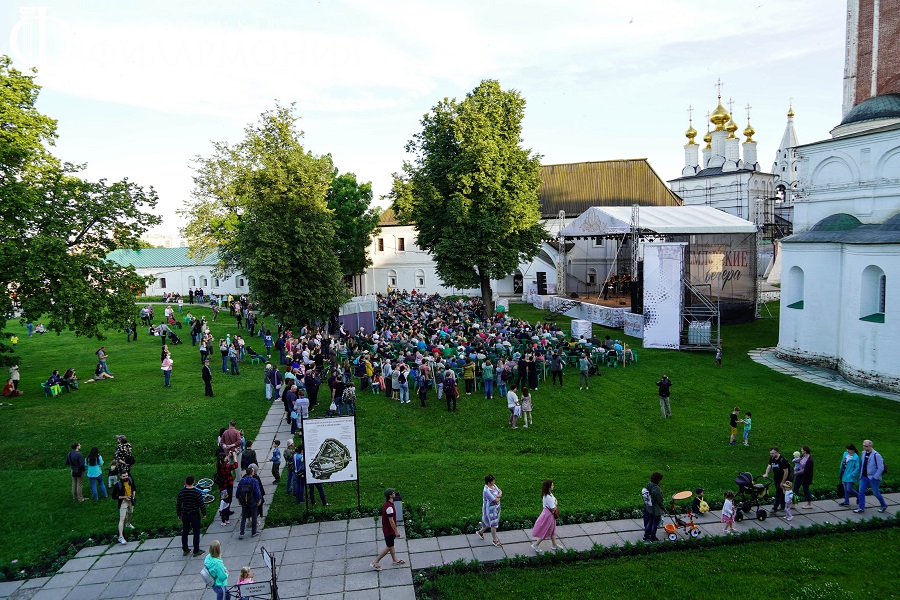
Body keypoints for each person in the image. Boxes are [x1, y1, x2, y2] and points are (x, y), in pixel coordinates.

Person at [371, 488, 404, 571]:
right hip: (389, 530)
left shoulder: (387, 504)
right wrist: (396, 531)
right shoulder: (389, 507)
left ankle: (395, 560)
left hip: (388, 529)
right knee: (389, 546)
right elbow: (391, 521)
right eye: (393, 493)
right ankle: (376, 561)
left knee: (391, 545)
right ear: (390, 496)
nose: (395, 494)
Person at [177, 475, 207, 556]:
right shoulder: (197, 492)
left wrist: (179, 514)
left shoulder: (181, 492)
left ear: (186, 482)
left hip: (185, 514)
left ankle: (185, 549)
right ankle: (196, 550)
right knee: (196, 532)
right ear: (193, 482)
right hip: (194, 514)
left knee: (185, 531)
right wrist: (204, 513)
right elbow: (201, 504)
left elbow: (178, 504)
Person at [856, 439, 889, 513]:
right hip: (864, 477)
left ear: (871, 446)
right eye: (864, 446)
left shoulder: (876, 455)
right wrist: (860, 474)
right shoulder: (863, 453)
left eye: (866, 446)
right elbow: (862, 464)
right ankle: (861, 508)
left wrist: (875, 477)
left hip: (873, 477)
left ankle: (883, 505)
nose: (865, 447)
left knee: (876, 493)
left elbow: (881, 468)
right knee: (861, 492)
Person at [531, 479, 562, 552]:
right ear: (549, 487)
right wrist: (555, 503)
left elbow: (554, 501)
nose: (553, 486)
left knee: (553, 530)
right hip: (548, 516)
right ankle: (536, 545)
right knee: (546, 530)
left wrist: (555, 502)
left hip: (550, 515)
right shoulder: (547, 497)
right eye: (552, 485)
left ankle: (554, 544)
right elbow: (553, 507)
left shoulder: (549, 494)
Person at [476, 475, 503, 547]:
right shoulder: (486, 491)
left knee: (488, 523)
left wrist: (498, 496)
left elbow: (500, 492)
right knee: (494, 524)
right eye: (492, 481)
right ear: (489, 482)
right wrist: (498, 497)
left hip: (496, 508)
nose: (494, 482)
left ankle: (480, 532)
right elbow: (495, 500)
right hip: (491, 511)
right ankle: (495, 540)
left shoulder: (493, 486)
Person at [235, 466, 262, 539]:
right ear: (252, 472)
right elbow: (257, 491)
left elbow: (238, 491)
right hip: (253, 502)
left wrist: (239, 499)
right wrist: (259, 499)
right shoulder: (254, 481)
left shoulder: (242, 480)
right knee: (254, 516)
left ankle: (241, 533)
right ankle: (254, 532)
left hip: (244, 501)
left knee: (243, 517)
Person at [763, 447, 791, 514]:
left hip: (783, 478)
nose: (771, 455)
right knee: (781, 492)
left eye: (772, 453)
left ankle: (774, 508)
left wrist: (783, 482)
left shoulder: (782, 460)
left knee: (778, 492)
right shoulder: (772, 458)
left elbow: (786, 472)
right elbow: (769, 465)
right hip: (776, 478)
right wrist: (766, 473)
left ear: (777, 452)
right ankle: (783, 506)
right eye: (770, 453)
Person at [113, 470, 136, 544]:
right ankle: (121, 536)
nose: (126, 477)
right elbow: (114, 496)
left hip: (130, 500)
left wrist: (133, 495)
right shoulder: (118, 485)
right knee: (122, 518)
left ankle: (128, 524)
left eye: (126, 476)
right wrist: (124, 497)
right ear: (120, 477)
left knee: (130, 512)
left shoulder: (130, 480)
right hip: (123, 501)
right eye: (124, 476)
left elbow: (134, 488)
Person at [641, 472, 664, 542]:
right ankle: (653, 537)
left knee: (650, 521)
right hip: (655, 508)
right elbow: (659, 500)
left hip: (649, 507)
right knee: (655, 523)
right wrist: (662, 507)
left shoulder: (649, 484)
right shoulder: (657, 489)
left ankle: (646, 535)